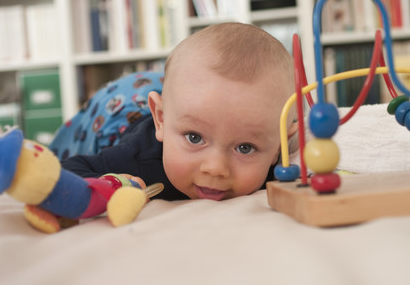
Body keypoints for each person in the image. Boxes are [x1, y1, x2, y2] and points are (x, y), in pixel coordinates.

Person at [57, 22, 298, 201]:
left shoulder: (279, 162)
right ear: (160, 120)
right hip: (118, 104)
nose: (215, 168)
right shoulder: (136, 157)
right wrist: (106, 183)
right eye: (194, 137)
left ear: (281, 145)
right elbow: (64, 170)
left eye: (245, 147)